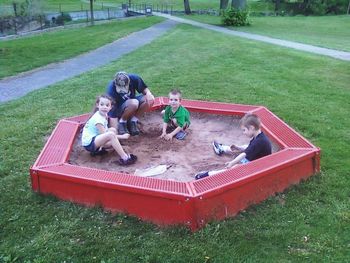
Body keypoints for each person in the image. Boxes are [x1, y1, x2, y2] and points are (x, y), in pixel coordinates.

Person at [195, 113, 272, 179]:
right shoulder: (259, 136)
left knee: (233, 169)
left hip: (258, 168)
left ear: (252, 128)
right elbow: (250, 147)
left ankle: (208, 175)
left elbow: (244, 154)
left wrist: (232, 163)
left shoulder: (259, 142)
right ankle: (223, 149)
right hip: (256, 160)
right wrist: (238, 148)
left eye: (244, 130)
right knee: (239, 151)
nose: (243, 133)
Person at [81, 94, 137, 165]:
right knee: (111, 135)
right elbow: (105, 134)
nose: (104, 107)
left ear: (111, 107)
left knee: (112, 130)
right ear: (97, 105)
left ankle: (100, 149)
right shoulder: (98, 119)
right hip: (89, 144)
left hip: (94, 138)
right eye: (102, 104)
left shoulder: (104, 115)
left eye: (107, 105)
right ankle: (125, 158)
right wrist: (122, 136)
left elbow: (106, 131)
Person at [106, 71, 155, 136]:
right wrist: (116, 134)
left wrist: (149, 94)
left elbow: (144, 89)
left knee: (149, 100)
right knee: (134, 103)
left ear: (129, 82)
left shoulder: (134, 78)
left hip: (131, 103)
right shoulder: (111, 90)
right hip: (119, 109)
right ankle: (122, 122)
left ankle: (133, 121)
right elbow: (112, 113)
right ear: (115, 84)